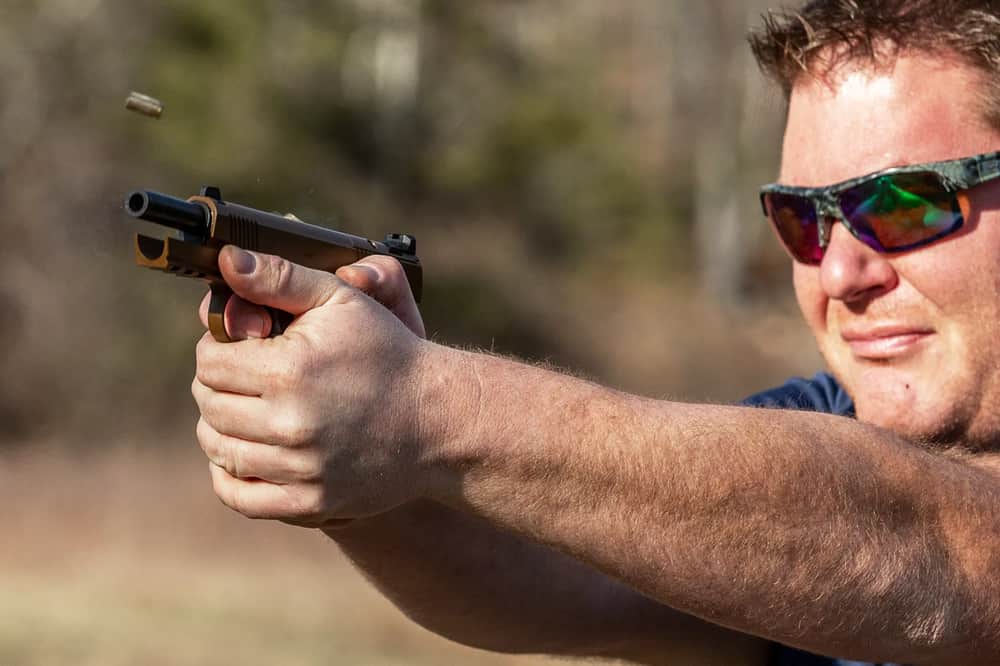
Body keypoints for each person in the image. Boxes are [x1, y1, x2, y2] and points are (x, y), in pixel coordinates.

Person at [189, 1, 1000, 664]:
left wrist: (425, 402)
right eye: (802, 220)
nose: (840, 273)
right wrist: (362, 471)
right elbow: (558, 579)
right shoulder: (821, 421)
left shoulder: (877, 509)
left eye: (903, 205)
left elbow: (934, 547)